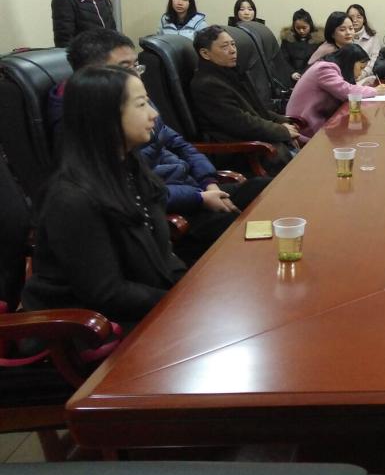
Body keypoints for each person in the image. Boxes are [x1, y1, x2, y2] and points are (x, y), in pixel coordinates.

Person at [49, 30, 271, 266]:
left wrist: (208, 181)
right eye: (125, 67)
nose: (136, 74)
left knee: (263, 189)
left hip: (190, 188)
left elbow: (178, 142)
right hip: (171, 209)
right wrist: (199, 198)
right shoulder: (84, 121)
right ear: (93, 75)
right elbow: (134, 191)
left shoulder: (131, 94)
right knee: (241, 233)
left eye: (136, 65)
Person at [21, 66, 187, 326]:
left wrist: (190, 287)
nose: (154, 113)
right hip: (92, 331)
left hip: (151, 307)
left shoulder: (129, 166)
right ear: (105, 116)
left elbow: (162, 253)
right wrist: (180, 302)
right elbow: (106, 293)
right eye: (141, 104)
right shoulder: (71, 198)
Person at [190, 26, 300, 175]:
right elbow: (240, 123)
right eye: (224, 46)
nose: (232, 50)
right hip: (241, 152)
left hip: (257, 141)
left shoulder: (230, 73)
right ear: (205, 53)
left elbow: (257, 109)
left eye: (233, 44)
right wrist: (282, 131)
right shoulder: (207, 84)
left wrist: (283, 122)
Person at [286, 44, 385, 135]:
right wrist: (375, 91)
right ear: (350, 62)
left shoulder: (330, 66)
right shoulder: (325, 69)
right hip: (303, 124)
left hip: (317, 117)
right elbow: (346, 91)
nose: (360, 73)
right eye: (361, 68)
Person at [280, 9, 323, 82]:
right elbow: (283, 60)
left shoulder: (318, 41)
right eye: (298, 28)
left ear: (310, 25)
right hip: (290, 77)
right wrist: (292, 73)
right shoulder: (287, 39)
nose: (301, 31)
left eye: (304, 28)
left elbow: (319, 61)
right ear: (294, 26)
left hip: (311, 78)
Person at [347, 4, 381, 83]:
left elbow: (374, 60)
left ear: (364, 19)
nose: (355, 20)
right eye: (351, 17)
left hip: (366, 77)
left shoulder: (372, 37)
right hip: (346, 77)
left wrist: (362, 74)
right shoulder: (343, 36)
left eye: (359, 17)